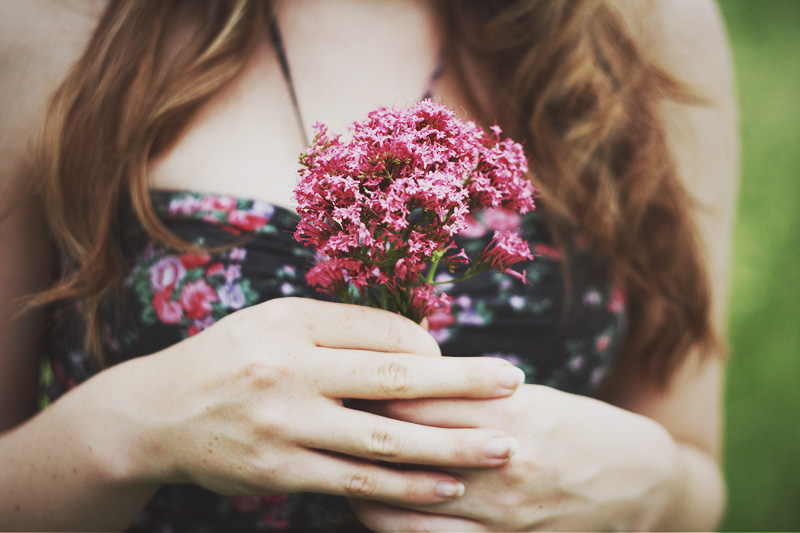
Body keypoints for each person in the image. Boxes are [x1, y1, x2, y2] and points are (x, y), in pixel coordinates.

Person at [0, 0, 737, 531]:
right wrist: (135, 428)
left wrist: (649, 486)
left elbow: (696, 478)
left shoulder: (645, 21)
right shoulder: (52, 25)